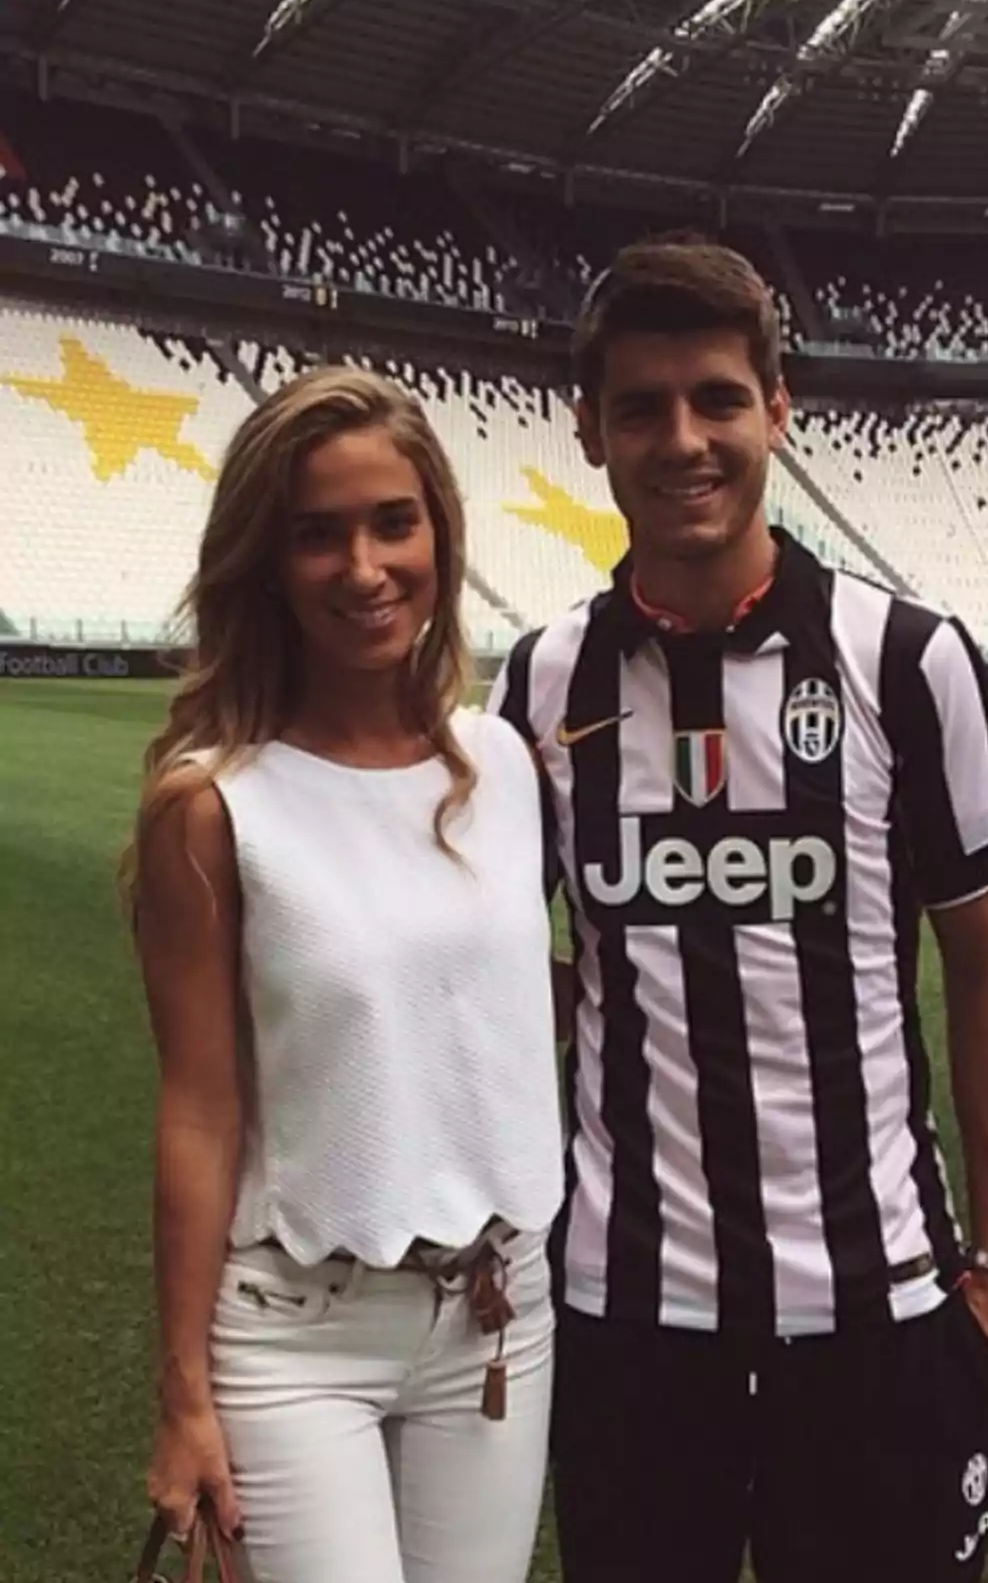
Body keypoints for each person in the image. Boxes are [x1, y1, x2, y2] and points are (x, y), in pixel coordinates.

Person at [489, 236, 988, 1583]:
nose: (684, 439)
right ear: (589, 432)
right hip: (630, 1329)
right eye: (641, 407)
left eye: (718, 399)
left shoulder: (908, 662)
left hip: (880, 1316)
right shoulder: (540, 681)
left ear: (778, 409)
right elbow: (513, 973)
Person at [123, 366, 564, 1583]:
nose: (364, 568)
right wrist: (183, 1396)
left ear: (440, 532)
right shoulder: (212, 805)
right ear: (266, 560)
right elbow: (199, 1112)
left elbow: (492, 996)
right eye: (317, 534)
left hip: (497, 1318)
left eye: (393, 523)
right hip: (295, 1336)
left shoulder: (505, 764)